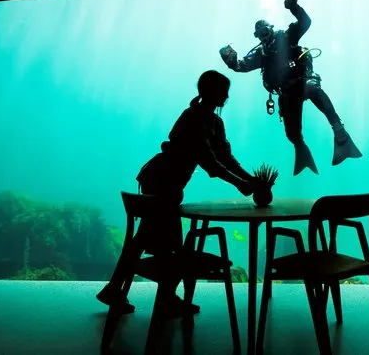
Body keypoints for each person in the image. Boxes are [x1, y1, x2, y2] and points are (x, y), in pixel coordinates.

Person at [96, 70, 257, 317]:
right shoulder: (193, 117)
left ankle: (123, 290)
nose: (226, 96)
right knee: (170, 247)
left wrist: (251, 180)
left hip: (166, 185)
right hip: (162, 184)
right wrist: (241, 184)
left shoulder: (214, 122)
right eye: (223, 90)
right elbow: (210, 162)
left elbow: (225, 157)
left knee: (148, 242)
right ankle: (161, 298)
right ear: (211, 91)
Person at [219, 0, 362, 176]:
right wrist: (230, 61)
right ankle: (301, 149)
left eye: (265, 31)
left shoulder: (287, 36)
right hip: (286, 93)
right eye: (259, 34)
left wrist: (294, 7)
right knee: (292, 134)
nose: (264, 36)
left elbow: (305, 22)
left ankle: (339, 130)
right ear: (257, 37)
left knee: (313, 88)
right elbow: (242, 66)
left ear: (271, 29)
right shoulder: (260, 54)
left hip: (303, 82)